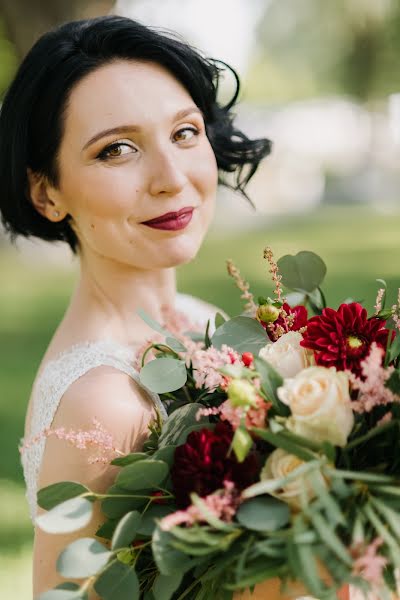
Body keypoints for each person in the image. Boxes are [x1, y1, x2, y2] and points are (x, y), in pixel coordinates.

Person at [0, 15, 346, 600]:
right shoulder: (103, 403)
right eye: (118, 149)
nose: (170, 177)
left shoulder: (201, 317)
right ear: (46, 192)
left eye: (184, 133)